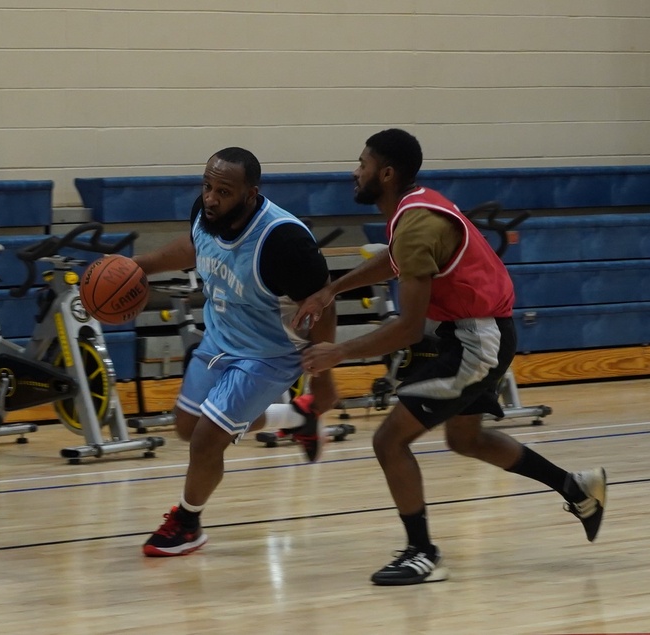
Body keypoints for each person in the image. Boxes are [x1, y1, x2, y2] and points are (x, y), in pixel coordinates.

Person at [294, 128, 607, 585]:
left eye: (361, 164)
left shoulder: (417, 221)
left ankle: (422, 553)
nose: (354, 171)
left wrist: (337, 352)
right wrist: (331, 290)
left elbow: (405, 327)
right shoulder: (413, 210)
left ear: (385, 173)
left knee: (388, 441)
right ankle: (577, 488)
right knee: (466, 439)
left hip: (476, 341)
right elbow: (397, 261)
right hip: (471, 333)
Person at [135, 147, 338, 557]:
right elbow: (195, 245)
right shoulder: (206, 212)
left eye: (223, 192)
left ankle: (188, 524)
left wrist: (324, 373)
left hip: (271, 353)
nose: (211, 198)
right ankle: (298, 416)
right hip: (220, 339)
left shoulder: (284, 241)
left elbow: (323, 303)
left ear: (250, 194)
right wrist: (140, 266)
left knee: (207, 441)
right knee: (188, 428)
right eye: (207, 186)